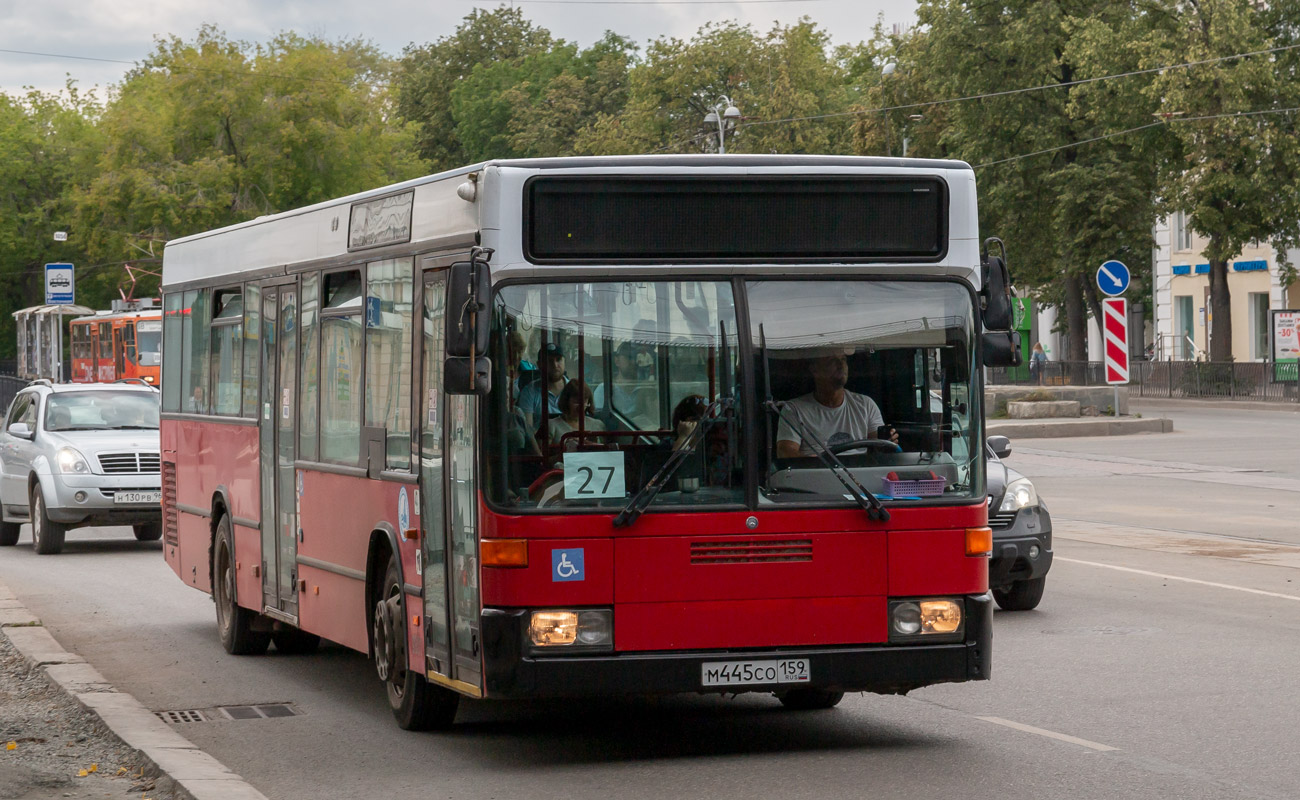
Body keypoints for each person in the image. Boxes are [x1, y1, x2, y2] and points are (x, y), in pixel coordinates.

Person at [776, 352, 896, 458]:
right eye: (832, 360)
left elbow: (878, 444)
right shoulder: (794, 409)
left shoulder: (866, 405)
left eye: (843, 360)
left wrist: (886, 441)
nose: (841, 365)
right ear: (814, 370)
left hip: (860, 476)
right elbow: (785, 452)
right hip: (815, 477)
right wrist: (812, 463)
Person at [517, 342, 567, 429]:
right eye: (549, 361)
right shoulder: (529, 392)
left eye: (558, 359)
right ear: (539, 364)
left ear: (564, 361)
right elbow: (529, 431)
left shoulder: (575, 389)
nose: (555, 365)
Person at [547, 380, 605, 451]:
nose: (580, 406)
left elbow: (606, 453)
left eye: (584, 401)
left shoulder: (598, 425)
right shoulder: (551, 426)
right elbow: (544, 458)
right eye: (576, 402)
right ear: (566, 402)